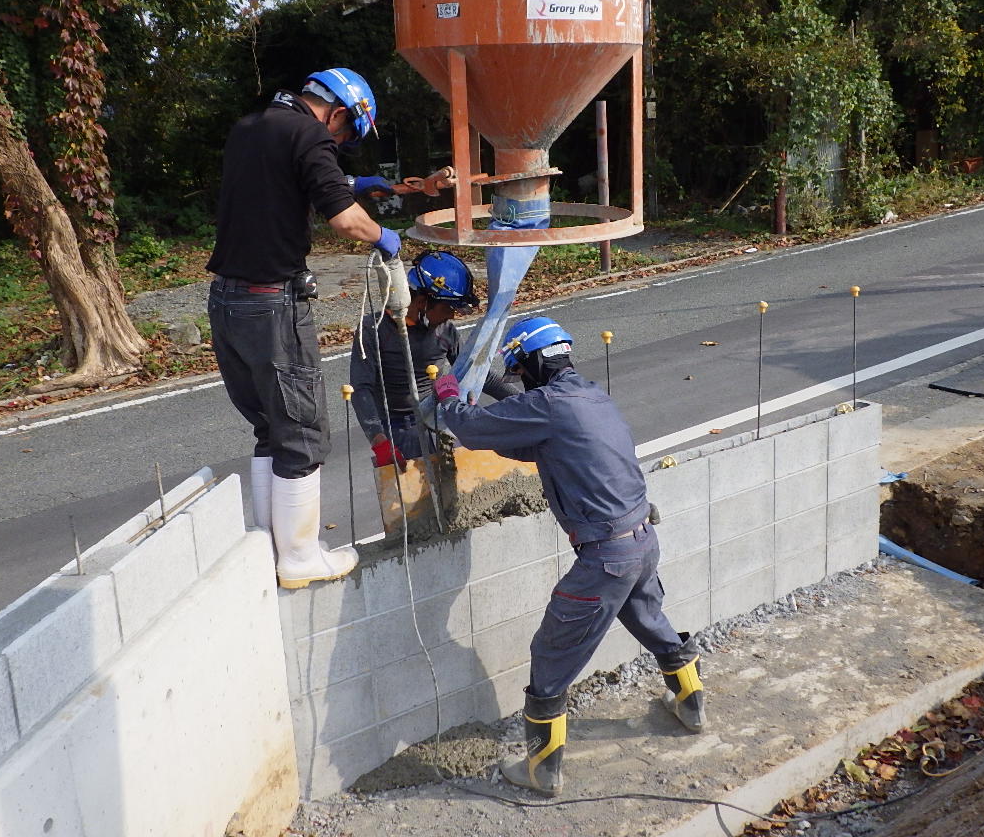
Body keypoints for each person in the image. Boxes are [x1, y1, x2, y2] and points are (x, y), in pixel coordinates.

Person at [432, 315, 707, 795]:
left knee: (551, 653)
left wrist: (449, 397)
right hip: (641, 540)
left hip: (606, 558)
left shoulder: (550, 405)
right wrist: (499, 396)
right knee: (646, 616)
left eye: (520, 371)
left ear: (535, 363)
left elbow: (472, 430)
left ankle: (542, 770)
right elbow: (538, 442)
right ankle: (690, 704)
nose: (520, 379)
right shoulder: (590, 396)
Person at [207, 67, 400, 590]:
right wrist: (385, 236)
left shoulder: (253, 125)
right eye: (344, 137)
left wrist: (355, 184)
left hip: (226, 300)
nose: (337, 145)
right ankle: (298, 558)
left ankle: (274, 547)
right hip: (272, 304)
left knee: (270, 428)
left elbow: (285, 182)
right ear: (337, 113)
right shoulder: (310, 133)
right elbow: (344, 220)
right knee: (303, 431)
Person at [350, 250, 519, 466]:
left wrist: (521, 402)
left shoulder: (445, 331)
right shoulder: (373, 329)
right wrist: (378, 440)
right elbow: (361, 388)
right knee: (416, 490)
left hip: (438, 413)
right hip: (396, 424)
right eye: (448, 308)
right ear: (422, 302)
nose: (451, 316)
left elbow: (476, 371)